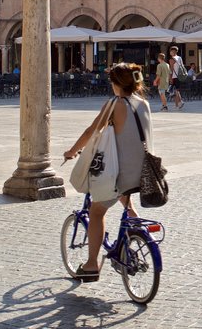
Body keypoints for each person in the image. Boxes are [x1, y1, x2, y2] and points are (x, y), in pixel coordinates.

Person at [63, 63, 151, 281]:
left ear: (116, 84)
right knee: (121, 190)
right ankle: (134, 220)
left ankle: (92, 265)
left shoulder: (114, 104)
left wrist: (71, 151)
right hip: (142, 173)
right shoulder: (144, 104)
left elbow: (91, 131)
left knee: (96, 212)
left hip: (119, 174)